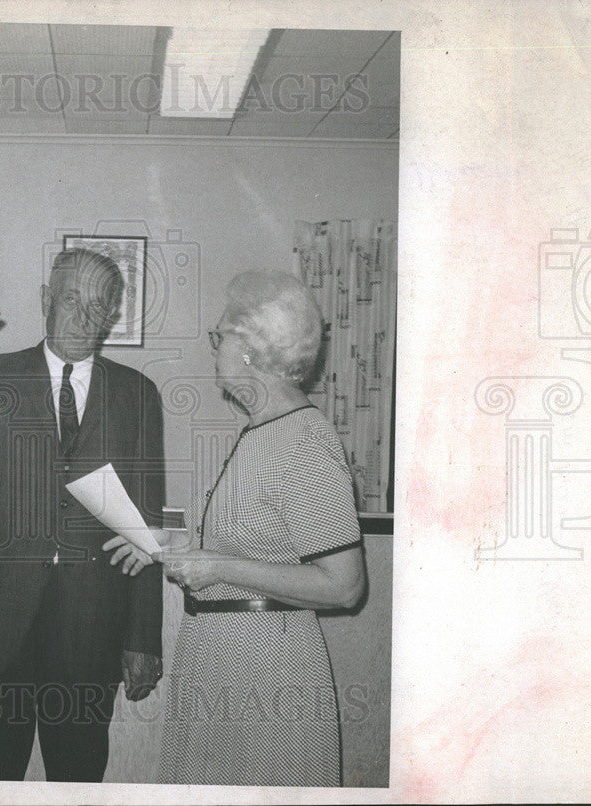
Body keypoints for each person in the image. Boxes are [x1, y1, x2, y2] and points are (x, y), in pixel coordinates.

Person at [0, 250, 165, 783]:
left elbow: (145, 523)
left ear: (113, 315)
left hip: (90, 632)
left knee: (78, 781)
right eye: (71, 298)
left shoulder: (137, 394)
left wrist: (142, 636)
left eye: (99, 305)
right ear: (46, 300)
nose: (84, 316)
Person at [113, 270, 366, 786]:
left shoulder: (306, 442)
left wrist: (219, 566)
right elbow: (254, 543)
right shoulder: (260, 431)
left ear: (250, 348)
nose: (215, 347)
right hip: (221, 654)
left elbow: (345, 585)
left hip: (267, 666)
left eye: (220, 335)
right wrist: (168, 545)